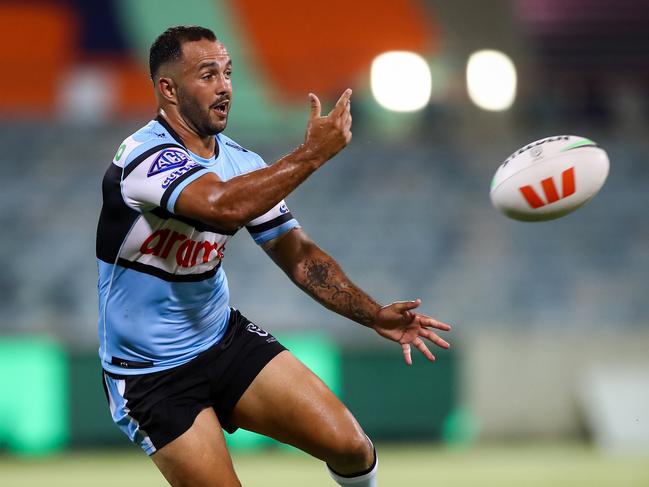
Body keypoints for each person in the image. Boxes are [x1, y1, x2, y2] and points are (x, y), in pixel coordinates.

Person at [96, 25, 451, 487]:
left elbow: (297, 254)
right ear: (167, 88)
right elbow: (222, 208)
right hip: (151, 375)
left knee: (351, 446)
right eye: (207, 75)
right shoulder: (143, 157)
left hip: (221, 341)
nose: (224, 86)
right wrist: (311, 155)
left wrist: (374, 315)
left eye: (227, 72)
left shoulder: (243, 162)